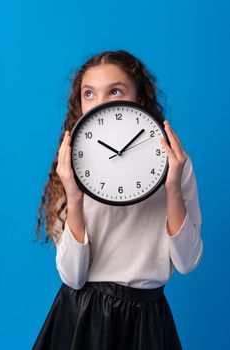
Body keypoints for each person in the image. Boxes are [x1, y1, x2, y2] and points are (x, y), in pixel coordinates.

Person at [32, 50, 203, 350]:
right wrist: (74, 196)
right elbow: (73, 276)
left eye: (114, 91)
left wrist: (172, 188)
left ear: (138, 99)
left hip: (147, 318)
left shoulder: (175, 162)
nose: (100, 104)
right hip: (82, 318)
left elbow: (187, 263)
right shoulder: (72, 164)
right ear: (80, 104)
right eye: (89, 94)